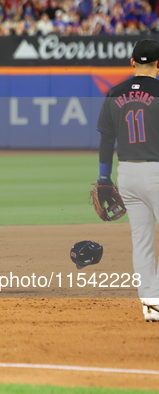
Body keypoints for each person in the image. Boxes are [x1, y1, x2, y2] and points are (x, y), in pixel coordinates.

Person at [95, 39, 159, 322]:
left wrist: (104, 179)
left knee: (142, 242)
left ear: (132, 63)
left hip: (127, 174)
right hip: (157, 172)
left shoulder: (114, 92)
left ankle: (151, 308)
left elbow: (106, 140)